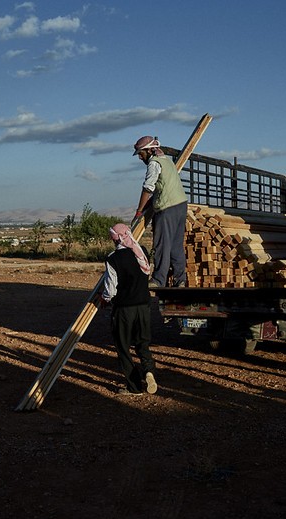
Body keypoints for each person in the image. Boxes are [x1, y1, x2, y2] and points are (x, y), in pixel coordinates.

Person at [100, 223, 157, 395]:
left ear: (114, 239)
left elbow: (111, 288)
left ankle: (134, 386)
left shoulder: (113, 259)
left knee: (123, 346)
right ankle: (148, 371)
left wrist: (105, 299)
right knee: (143, 343)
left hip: (124, 308)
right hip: (143, 305)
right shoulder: (142, 252)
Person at [133, 135, 188, 288]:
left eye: (140, 153)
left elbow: (148, 188)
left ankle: (158, 280)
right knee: (176, 245)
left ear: (149, 150)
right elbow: (161, 188)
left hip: (167, 207)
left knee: (162, 244)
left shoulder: (154, 163)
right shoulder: (166, 161)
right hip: (181, 204)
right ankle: (180, 279)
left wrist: (139, 211)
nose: (139, 157)